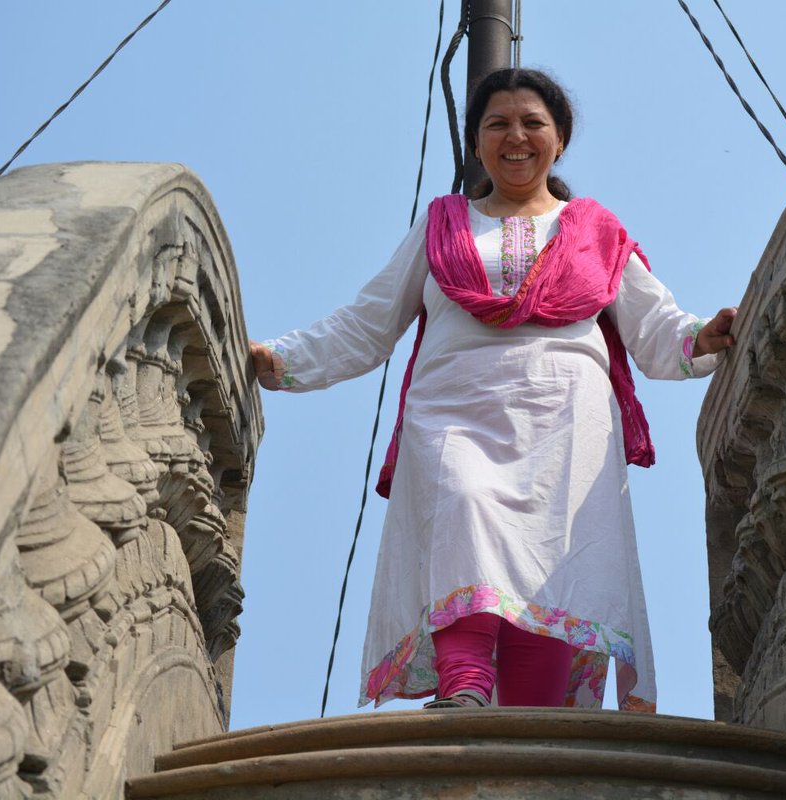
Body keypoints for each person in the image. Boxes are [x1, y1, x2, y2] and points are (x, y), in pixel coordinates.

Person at [250, 68, 737, 713]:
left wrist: (705, 336)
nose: (516, 137)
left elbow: (656, 328)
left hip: (567, 420)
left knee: (554, 569)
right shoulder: (442, 228)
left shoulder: (596, 231)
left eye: (533, 123)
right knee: (462, 505)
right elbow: (366, 323)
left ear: (559, 140)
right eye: (497, 124)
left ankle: (529, 726)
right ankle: (467, 689)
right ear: (476, 144)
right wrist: (280, 358)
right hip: (454, 411)